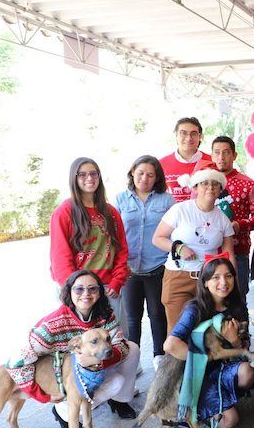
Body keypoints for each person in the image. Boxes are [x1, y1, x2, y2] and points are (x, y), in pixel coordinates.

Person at [7, 270, 140, 428]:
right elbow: (15, 363)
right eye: (79, 289)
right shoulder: (52, 325)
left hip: (88, 368)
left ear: (99, 292)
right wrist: (43, 396)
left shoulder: (105, 313)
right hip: (62, 376)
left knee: (132, 349)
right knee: (114, 383)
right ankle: (63, 411)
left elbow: (121, 344)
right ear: (69, 292)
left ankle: (119, 401)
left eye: (92, 288)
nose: (86, 294)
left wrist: (97, 361)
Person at [163, 256, 254, 428]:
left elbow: (244, 347)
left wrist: (234, 340)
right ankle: (196, 411)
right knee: (229, 421)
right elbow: (170, 345)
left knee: (247, 372)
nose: (223, 282)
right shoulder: (195, 309)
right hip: (197, 375)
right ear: (205, 282)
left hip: (222, 369)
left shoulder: (238, 307)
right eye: (216, 277)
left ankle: (222, 398)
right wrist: (206, 357)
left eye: (228, 276)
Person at [152, 162, 235, 334]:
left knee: (204, 333)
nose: (210, 187)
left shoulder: (223, 219)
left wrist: (232, 282)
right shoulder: (180, 210)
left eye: (215, 184)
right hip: (178, 277)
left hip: (208, 280)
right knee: (177, 332)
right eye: (205, 183)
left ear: (220, 190)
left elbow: (229, 256)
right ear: (195, 187)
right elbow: (157, 238)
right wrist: (178, 248)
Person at [50, 157, 129, 334]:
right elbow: (60, 257)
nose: (89, 178)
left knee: (117, 339)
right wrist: (74, 290)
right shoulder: (63, 212)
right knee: (83, 343)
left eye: (94, 173)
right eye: (82, 174)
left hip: (108, 288)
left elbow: (121, 250)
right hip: (78, 291)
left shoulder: (110, 212)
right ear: (74, 178)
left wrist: (117, 281)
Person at [116, 155, 175, 371]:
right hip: (129, 269)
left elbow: (176, 231)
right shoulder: (120, 199)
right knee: (132, 318)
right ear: (133, 172)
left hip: (157, 267)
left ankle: (159, 356)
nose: (144, 178)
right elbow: (114, 234)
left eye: (150, 175)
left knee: (157, 314)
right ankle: (133, 359)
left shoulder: (166, 201)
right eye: (140, 173)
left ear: (157, 177)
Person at [211, 136, 254, 299]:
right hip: (208, 252)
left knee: (238, 301)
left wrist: (239, 225)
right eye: (217, 152)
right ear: (212, 156)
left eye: (226, 152)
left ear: (234, 155)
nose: (221, 157)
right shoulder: (204, 183)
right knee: (210, 303)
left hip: (238, 252)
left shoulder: (248, 184)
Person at [159, 117, 212, 203]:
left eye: (193, 134)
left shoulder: (212, 163)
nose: (188, 138)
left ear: (200, 136)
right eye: (183, 133)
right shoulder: (161, 165)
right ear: (176, 135)